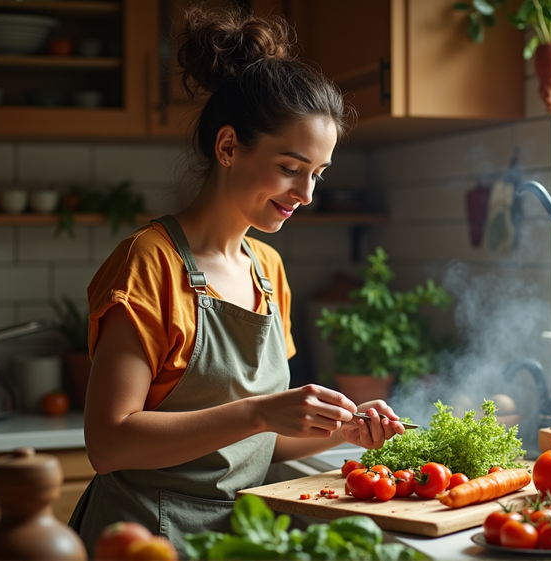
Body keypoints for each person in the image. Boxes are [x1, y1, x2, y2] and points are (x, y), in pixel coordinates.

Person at [67, 5, 407, 556]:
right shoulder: (148, 263)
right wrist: (260, 411)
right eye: (291, 167)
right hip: (147, 537)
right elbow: (107, 443)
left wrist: (338, 429)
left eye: (318, 174)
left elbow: (257, 441)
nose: (307, 194)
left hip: (243, 536)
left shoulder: (267, 269)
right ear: (228, 147)